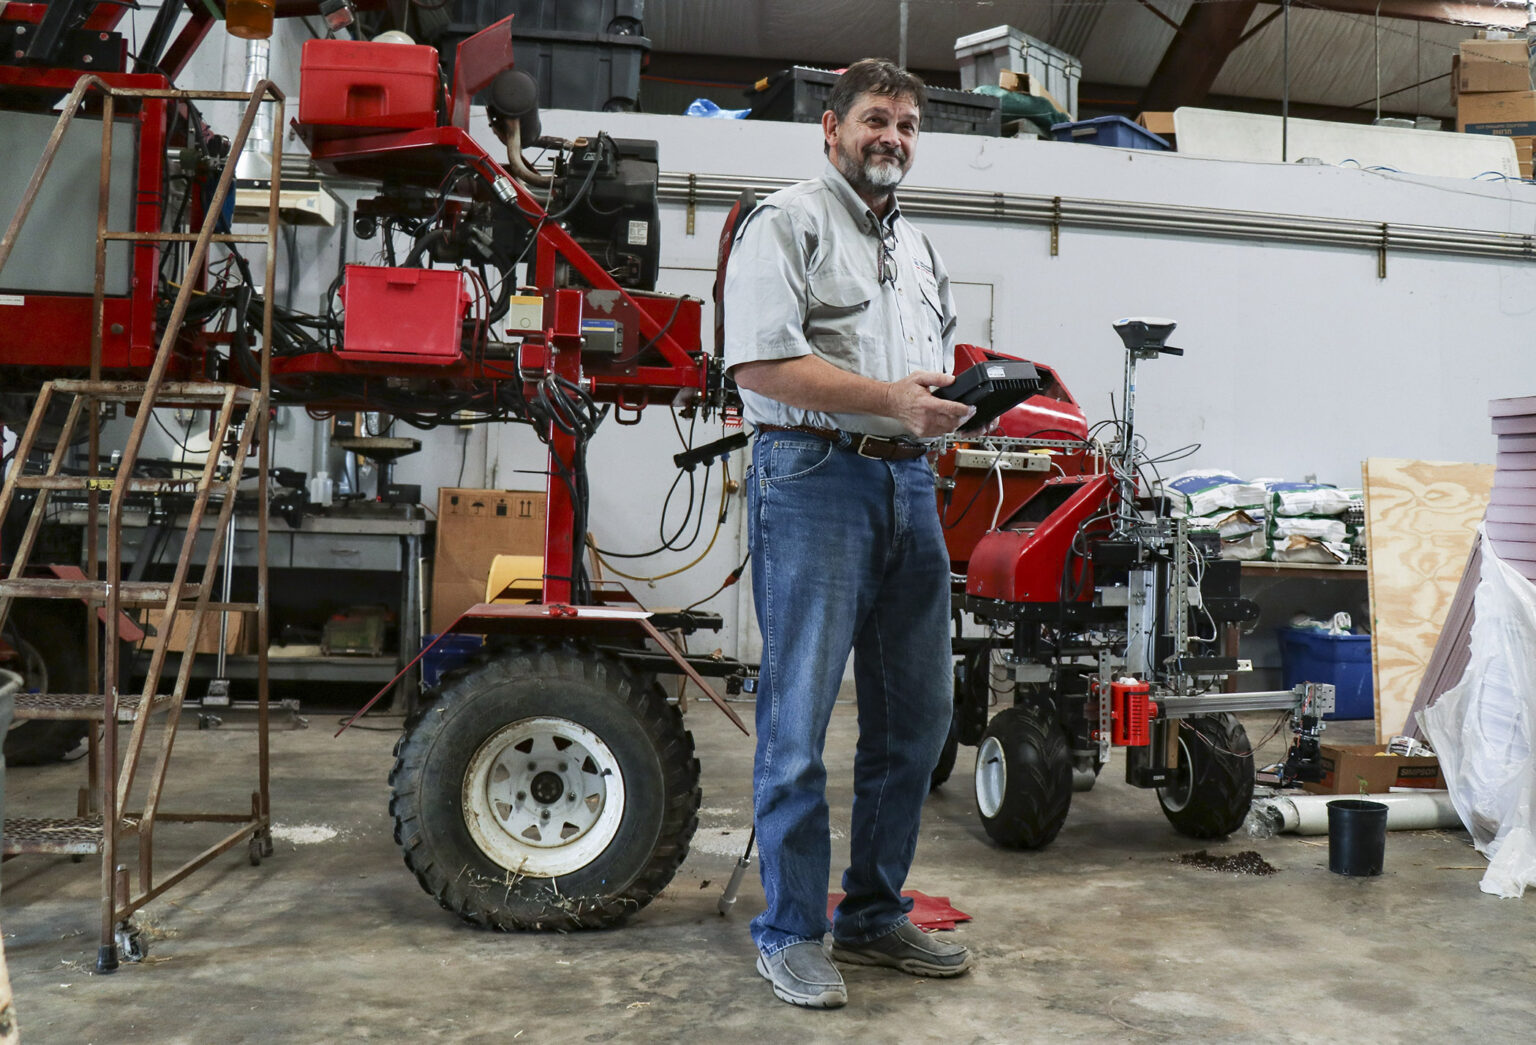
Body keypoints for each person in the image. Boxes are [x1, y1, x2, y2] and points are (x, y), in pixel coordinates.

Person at [722, 58, 977, 1009]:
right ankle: (791, 929)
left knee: (918, 719)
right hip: (813, 479)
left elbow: (920, 373)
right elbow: (761, 363)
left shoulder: (916, 247)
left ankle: (871, 913)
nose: (894, 138)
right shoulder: (784, 223)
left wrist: (953, 404)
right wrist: (889, 402)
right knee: (798, 727)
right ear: (830, 128)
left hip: (908, 488)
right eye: (878, 119)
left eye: (909, 125)